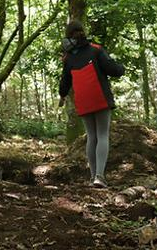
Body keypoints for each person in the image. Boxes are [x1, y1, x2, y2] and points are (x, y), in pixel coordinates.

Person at [58, 20, 124, 188]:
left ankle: (92, 176)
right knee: (102, 135)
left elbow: (65, 82)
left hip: (83, 101)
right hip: (99, 97)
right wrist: (121, 68)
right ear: (83, 32)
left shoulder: (68, 58)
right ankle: (100, 177)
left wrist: (62, 95)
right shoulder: (95, 50)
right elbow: (113, 69)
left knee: (91, 136)